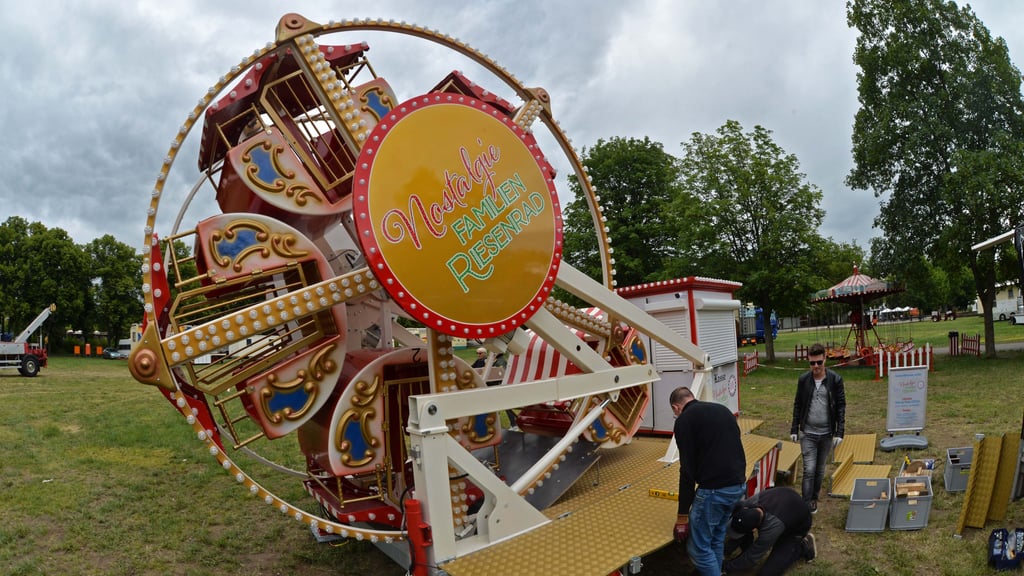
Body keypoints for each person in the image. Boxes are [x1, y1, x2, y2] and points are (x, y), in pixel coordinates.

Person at [670, 386, 747, 576]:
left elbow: (687, 471)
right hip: (737, 485)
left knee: (698, 549)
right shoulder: (722, 410)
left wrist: (682, 516)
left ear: (676, 407)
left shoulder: (684, 421)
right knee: (716, 538)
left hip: (714, 492)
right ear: (692, 397)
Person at [789, 343, 846, 514]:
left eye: (819, 363)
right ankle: (805, 503)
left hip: (827, 433)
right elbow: (798, 404)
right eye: (812, 363)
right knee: (809, 469)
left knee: (820, 470)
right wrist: (794, 428)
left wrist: (839, 432)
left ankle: (814, 498)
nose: (815, 367)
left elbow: (841, 406)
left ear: (825, 360)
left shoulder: (835, 380)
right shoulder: (804, 380)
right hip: (808, 432)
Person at [723, 487, 816, 575]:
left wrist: (726, 567)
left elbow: (752, 557)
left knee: (767, 573)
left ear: (754, 529)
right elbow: (738, 525)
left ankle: (804, 546)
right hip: (786, 507)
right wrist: (725, 551)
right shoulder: (749, 503)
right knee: (743, 530)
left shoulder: (771, 528)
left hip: (796, 528)